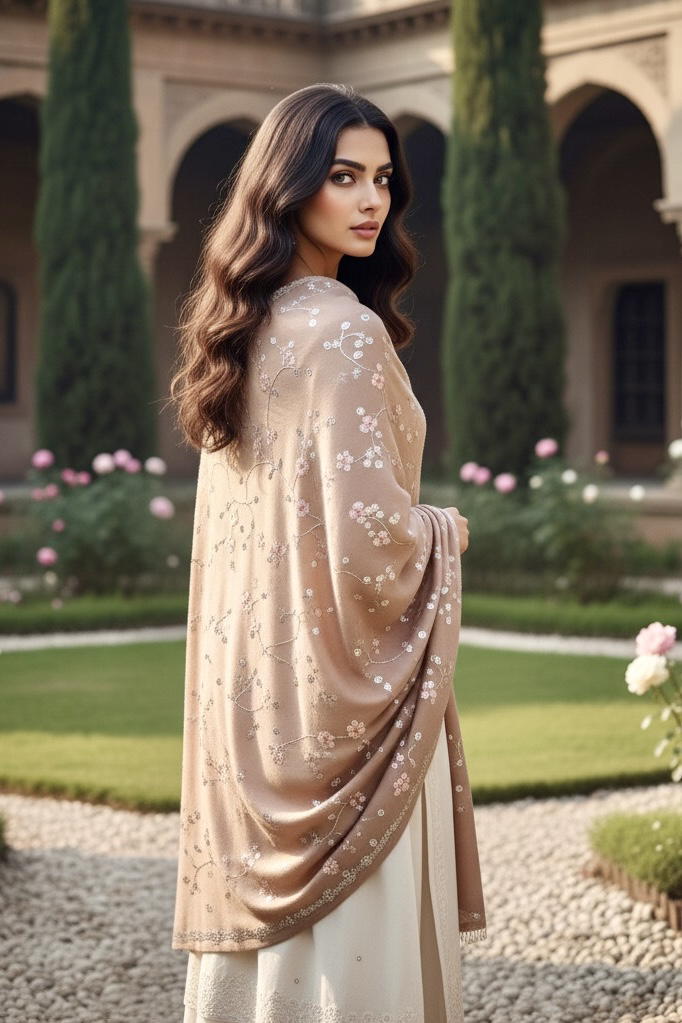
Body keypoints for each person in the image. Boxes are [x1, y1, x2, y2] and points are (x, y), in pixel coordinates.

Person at [171, 82, 486, 1023]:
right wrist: (446, 527)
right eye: (343, 175)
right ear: (289, 184)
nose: (371, 199)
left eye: (383, 178)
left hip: (261, 708)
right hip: (354, 713)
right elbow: (368, 544)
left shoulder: (239, 330)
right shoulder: (344, 331)